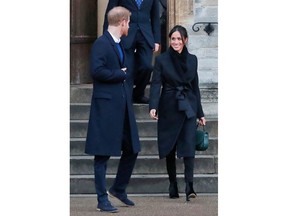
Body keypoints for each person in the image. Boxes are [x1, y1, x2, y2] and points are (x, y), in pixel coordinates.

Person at [85, 6, 141, 213]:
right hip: (106, 108)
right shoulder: (102, 43)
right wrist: (119, 74)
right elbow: (97, 71)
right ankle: (102, 200)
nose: (129, 26)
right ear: (123, 22)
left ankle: (118, 188)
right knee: (102, 156)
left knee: (133, 148)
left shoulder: (119, 44)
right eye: (128, 23)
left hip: (122, 107)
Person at [149, 25, 206, 201]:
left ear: (185, 40)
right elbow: (156, 84)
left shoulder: (193, 60)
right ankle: (173, 184)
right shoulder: (162, 60)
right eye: (173, 39)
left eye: (179, 39)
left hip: (188, 105)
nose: (175, 42)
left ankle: (190, 186)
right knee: (170, 146)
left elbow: (195, 86)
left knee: (189, 145)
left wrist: (200, 112)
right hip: (169, 106)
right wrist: (153, 106)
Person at [103, 0, 161, 104]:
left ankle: (138, 94)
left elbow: (155, 16)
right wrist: (107, 37)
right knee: (127, 69)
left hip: (145, 34)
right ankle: (127, 98)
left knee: (147, 66)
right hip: (125, 34)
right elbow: (110, 14)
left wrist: (157, 39)